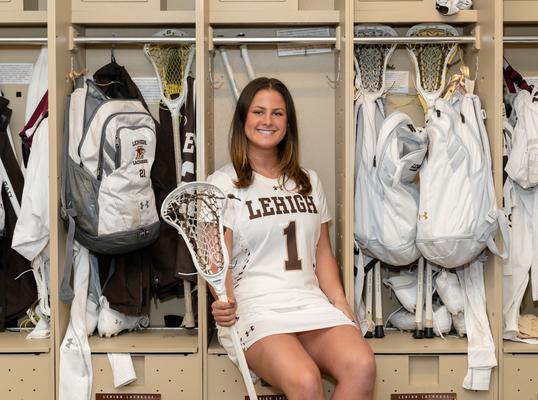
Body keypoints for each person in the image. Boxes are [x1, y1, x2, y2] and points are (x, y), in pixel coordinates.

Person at [207, 77, 376, 400]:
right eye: (258, 112)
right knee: (306, 380)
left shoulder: (309, 181)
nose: (267, 121)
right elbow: (217, 262)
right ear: (243, 118)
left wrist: (340, 302)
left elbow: (322, 253)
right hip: (256, 309)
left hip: (309, 303)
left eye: (277, 113)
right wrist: (223, 303)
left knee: (362, 364)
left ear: (288, 123)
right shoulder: (223, 184)